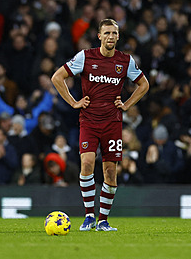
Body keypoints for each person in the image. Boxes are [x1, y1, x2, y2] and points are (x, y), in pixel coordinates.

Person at [51, 18, 149, 232]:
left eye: (114, 33)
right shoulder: (85, 57)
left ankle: (103, 220)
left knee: (110, 172)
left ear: (118, 36)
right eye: (107, 33)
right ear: (99, 36)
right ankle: (88, 216)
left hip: (113, 123)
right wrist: (73, 102)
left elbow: (144, 84)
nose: (111, 37)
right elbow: (57, 77)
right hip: (89, 120)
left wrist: (126, 104)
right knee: (86, 164)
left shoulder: (125, 61)